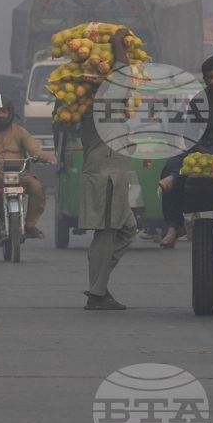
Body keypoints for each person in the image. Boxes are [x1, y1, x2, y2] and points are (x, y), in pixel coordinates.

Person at [156, 56, 213, 247]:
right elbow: (189, 136)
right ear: (205, 79)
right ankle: (175, 224)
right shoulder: (199, 100)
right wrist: (201, 151)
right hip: (206, 151)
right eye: (212, 77)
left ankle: (176, 177)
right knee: (171, 163)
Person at [80, 28, 139, 311]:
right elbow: (125, 74)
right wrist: (117, 42)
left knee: (127, 230)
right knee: (106, 234)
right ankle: (96, 293)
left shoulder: (110, 111)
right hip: (105, 181)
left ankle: (98, 284)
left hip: (112, 179)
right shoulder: (102, 104)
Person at [0, 94, 49, 241]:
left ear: (10, 113)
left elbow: (34, 148)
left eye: (4, 112)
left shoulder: (20, 132)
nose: (1, 116)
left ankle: (30, 225)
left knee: (37, 188)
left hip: (19, 172)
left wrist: (40, 155)